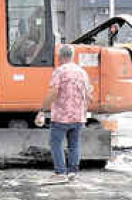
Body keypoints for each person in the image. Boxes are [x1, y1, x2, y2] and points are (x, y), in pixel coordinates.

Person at [35, 45, 93, 182]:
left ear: (60, 56)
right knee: (74, 145)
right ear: (72, 56)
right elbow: (89, 95)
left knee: (56, 143)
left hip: (61, 116)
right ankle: (73, 172)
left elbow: (54, 92)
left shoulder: (59, 71)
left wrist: (42, 110)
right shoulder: (82, 72)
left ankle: (60, 172)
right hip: (78, 116)